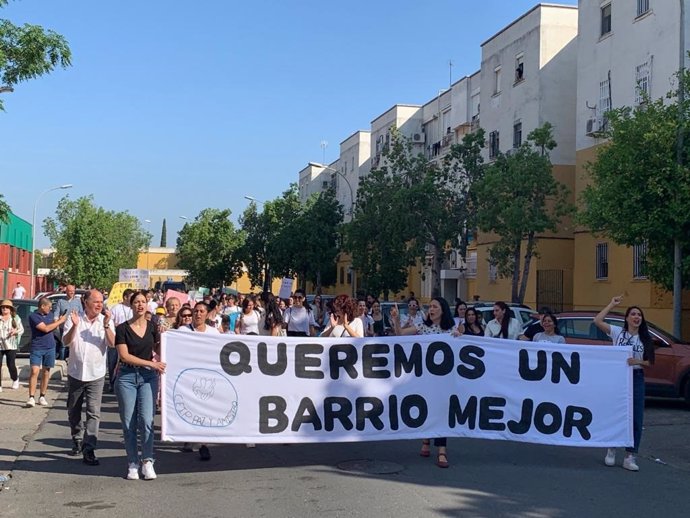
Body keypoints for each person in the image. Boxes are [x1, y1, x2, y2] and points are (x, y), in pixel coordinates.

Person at [390, 297, 457, 468]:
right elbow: (400, 335)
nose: (431, 309)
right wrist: (397, 319)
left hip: (443, 377)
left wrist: (459, 336)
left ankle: (442, 449)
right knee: (427, 407)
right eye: (430, 307)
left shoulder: (451, 329)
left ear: (443, 310)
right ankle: (426, 439)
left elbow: (459, 346)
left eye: (435, 306)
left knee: (441, 410)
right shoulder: (422, 326)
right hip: (425, 376)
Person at [594, 296, 654, 472]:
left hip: (636, 378)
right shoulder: (617, 333)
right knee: (615, 413)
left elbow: (650, 362)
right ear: (627, 318)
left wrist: (637, 361)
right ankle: (611, 449)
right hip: (618, 379)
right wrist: (611, 304)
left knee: (636, 417)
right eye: (633, 314)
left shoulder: (645, 339)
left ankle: (630, 455)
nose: (637, 317)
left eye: (639, 315)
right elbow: (597, 321)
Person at [114, 290, 165, 480]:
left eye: (143, 302)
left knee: (146, 420)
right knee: (129, 422)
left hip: (148, 378)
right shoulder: (122, 329)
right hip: (127, 376)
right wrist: (152, 363)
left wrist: (165, 336)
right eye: (137, 302)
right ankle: (133, 463)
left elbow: (159, 348)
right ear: (131, 305)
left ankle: (148, 461)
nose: (140, 305)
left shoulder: (153, 327)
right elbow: (124, 355)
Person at [62, 289, 115, 466]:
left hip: (96, 373)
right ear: (86, 302)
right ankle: (77, 437)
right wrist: (75, 326)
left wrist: (107, 325)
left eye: (102, 301)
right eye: (96, 301)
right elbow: (66, 342)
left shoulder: (105, 320)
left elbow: (112, 343)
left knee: (93, 412)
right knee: (73, 410)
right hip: (76, 372)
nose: (100, 304)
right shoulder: (74, 317)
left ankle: (89, 448)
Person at [178, 301, 218, 461]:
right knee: (190, 408)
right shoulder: (183, 331)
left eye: (202, 311)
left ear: (207, 314)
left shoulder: (213, 332)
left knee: (204, 410)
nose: (198, 314)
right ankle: (188, 436)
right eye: (196, 311)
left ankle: (203, 444)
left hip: (207, 377)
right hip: (188, 376)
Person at [27, 298, 66, 407]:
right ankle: (31, 397)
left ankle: (42, 395)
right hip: (37, 347)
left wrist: (59, 321)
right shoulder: (33, 316)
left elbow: (54, 326)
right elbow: (45, 329)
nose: (50, 309)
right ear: (42, 306)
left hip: (50, 346)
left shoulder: (50, 315)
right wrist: (60, 321)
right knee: (34, 371)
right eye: (48, 307)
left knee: (46, 371)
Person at [108, 288, 134, 392]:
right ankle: (111, 382)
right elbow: (109, 321)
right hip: (115, 339)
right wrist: (117, 325)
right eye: (131, 297)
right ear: (125, 297)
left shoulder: (133, 308)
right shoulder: (116, 308)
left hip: (129, 340)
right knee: (112, 362)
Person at [53, 284, 83, 360]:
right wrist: (56, 320)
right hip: (63, 326)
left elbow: (81, 313)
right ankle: (62, 361)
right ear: (66, 292)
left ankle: (72, 360)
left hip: (75, 326)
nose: (72, 293)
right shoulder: (61, 301)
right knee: (63, 345)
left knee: (74, 344)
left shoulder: (77, 301)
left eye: (73, 291)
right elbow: (56, 312)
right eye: (70, 291)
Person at [0, 299, 24, 391]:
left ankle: (15, 379)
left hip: (11, 345)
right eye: (3, 307)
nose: (4, 309)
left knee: (11, 365)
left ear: (10, 309)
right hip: (0, 344)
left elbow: (21, 329)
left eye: (7, 307)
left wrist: (15, 331)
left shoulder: (15, 318)